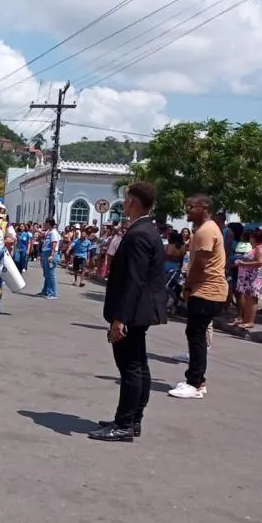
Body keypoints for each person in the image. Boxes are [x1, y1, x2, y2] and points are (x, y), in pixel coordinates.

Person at [90, 182, 166, 441]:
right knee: (139, 366)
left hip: (131, 312)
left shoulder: (139, 234)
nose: (124, 204)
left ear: (132, 202)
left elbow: (134, 280)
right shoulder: (145, 230)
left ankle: (124, 423)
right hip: (139, 310)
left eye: (126, 199)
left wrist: (119, 319)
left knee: (131, 368)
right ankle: (132, 419)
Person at [169, 194, 227, 399]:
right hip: (207, 290)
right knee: (195, 335)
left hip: (206, 290)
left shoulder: (205, 231)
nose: (187, 209)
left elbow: (200, 265)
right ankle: (196, 380)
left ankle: (195, 383)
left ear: (204, 207)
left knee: (196, 337)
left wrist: (187, 286)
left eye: (190, 206)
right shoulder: (204, 230)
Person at [39, 217, 61, 298]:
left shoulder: (54, 233)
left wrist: (51, 255)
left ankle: (52, 293)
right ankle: (45, 291)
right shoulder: (49, 232)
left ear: (49, 223)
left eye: (45, 222)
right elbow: (42, 235)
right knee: (46, 274)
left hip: (50, 254)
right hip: (45, 253)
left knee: (51, 274)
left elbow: (54, 243)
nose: (44, 224)